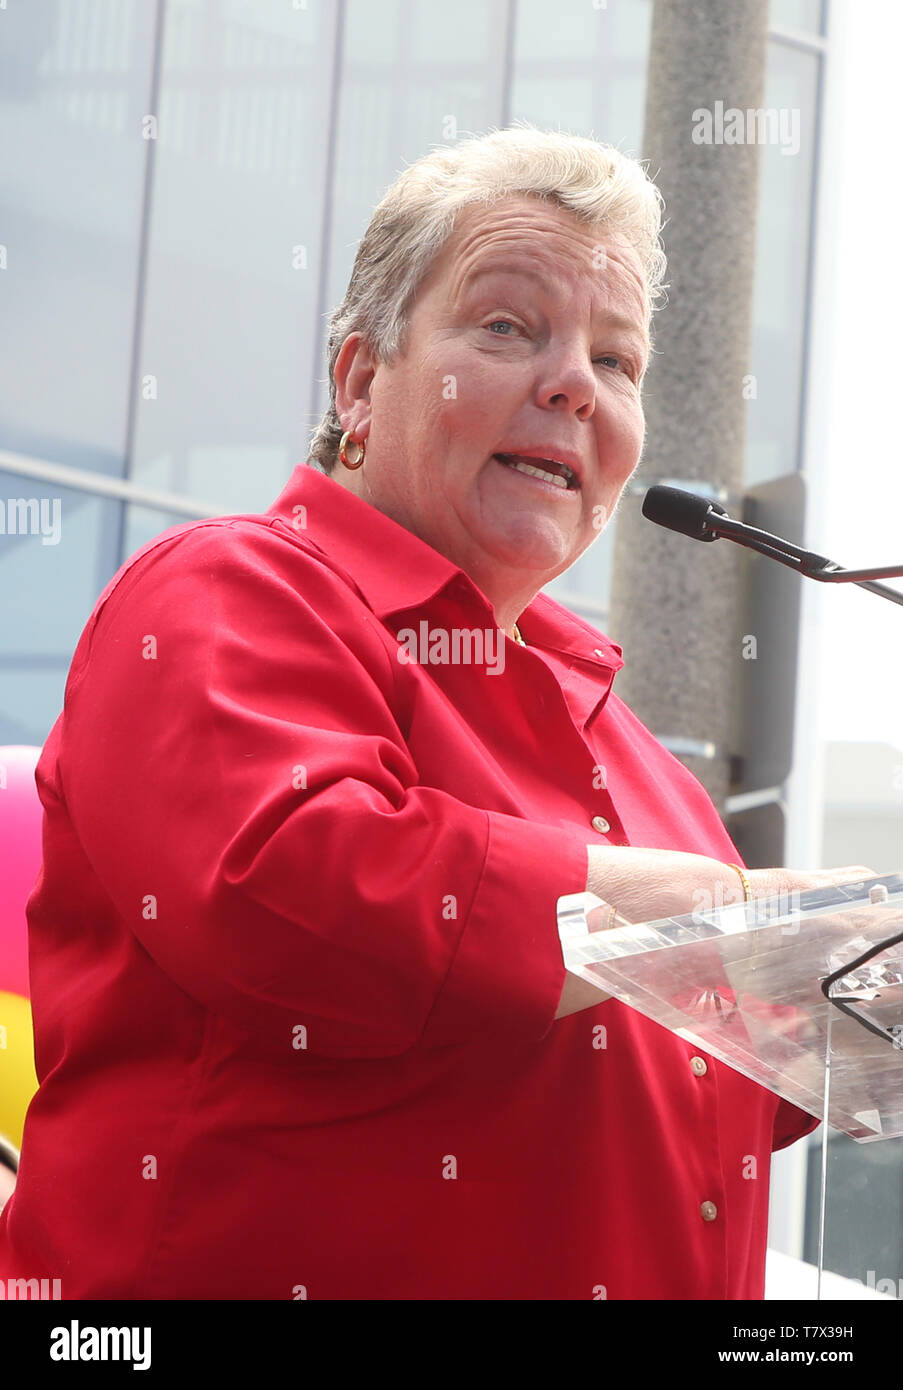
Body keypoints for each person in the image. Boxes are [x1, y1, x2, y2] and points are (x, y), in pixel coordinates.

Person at [0, 124, 870, 1300]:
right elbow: (300, 890)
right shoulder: (230, 590)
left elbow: (689, 1097)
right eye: (508, 327)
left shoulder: (637, 761)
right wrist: (720, 913)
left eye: (617, 362)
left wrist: (857, 997)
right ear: (361, 381)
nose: (573, 381)